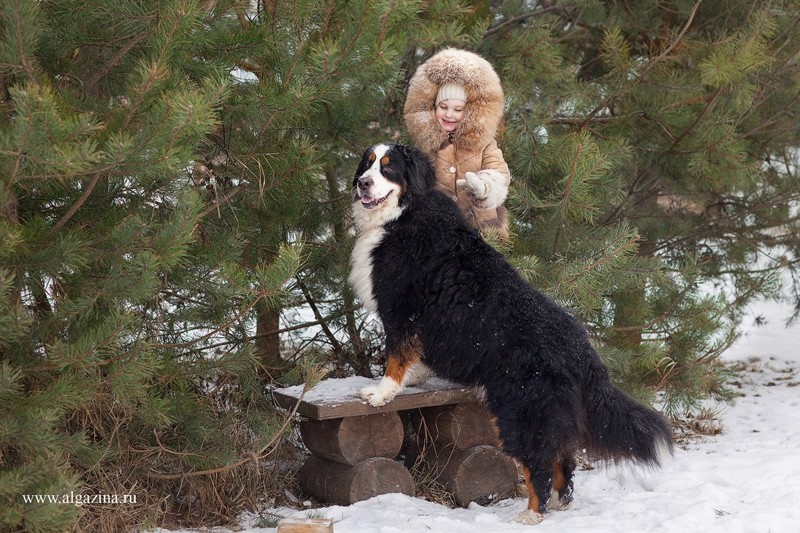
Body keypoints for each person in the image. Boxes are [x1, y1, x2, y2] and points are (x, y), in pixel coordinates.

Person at [403, 47, 511, 239]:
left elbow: (500, 172)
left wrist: (485, 187)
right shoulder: (425, 146)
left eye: (458, 109)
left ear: (471, 112)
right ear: (432, 107)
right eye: (443, 107)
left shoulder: (485, 144)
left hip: (481, 229)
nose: (449, 115)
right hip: (437, 230)